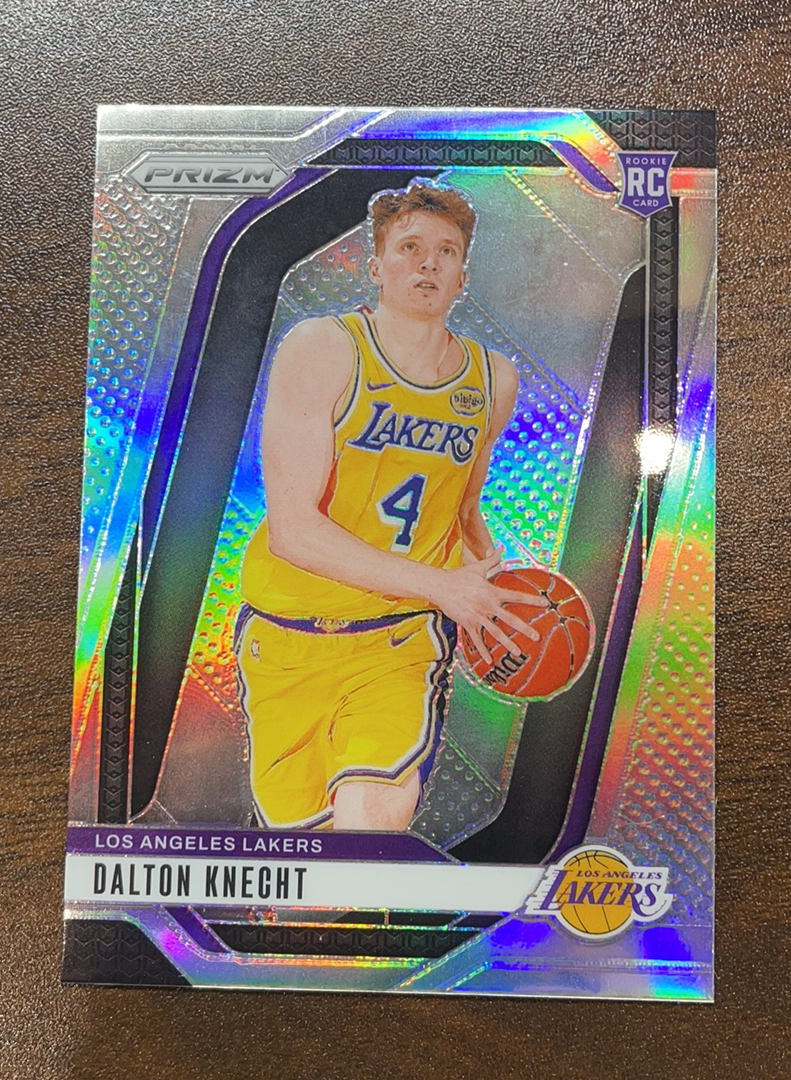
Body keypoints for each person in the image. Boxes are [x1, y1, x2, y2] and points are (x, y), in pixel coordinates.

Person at [234, 180, 542, 832]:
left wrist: (500, 589)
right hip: (286, 639)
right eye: (409, 247)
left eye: (446, 252)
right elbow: (292, 531)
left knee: (373, 816)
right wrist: (443, 586)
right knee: (310, 868)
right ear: (376, 267)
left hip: (398, 641)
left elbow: (462, 512)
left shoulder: (493, 379)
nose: (428, 263)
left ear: (462, 277)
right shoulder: (322, 348)